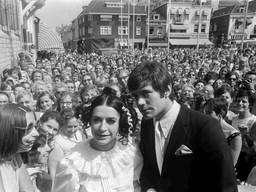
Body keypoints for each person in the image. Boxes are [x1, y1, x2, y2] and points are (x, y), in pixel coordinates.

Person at [127, 61, 237, 192]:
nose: (139, 102)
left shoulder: (205, 126)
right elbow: (150, 170)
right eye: (135, 96)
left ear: (167, 90)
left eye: (146, 94)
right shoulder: (147, 124)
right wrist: (149, 188)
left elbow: (226, 184)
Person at [52, 93, 142, 192]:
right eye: (97, 120)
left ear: (120, 122)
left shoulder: (132, 154)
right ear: (90, 121)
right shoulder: (72, 163)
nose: (102, 128)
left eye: (111, 121)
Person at [0, 104, 39, 192]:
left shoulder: (14, 155)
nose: (36, 133)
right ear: (9, 130)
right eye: (29, 128)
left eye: (35, 127)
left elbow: (28, 190)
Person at [49, 108, 85, 179]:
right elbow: (53, 169)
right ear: (62, 125)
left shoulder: (79, 134)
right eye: (69, 127)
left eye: (75, 126)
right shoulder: (57, 141)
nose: (73, 130)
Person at [203, 98, 242, 165]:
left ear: (220, 114)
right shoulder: (204, 129)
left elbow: (231, 164)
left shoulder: (234, 136)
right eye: (204, 113)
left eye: (209, 113)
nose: (205, 116)